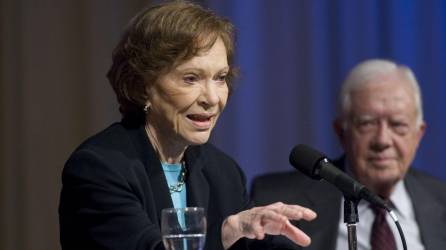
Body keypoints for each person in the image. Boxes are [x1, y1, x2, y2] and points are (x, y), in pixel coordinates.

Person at [58, 2, 317, 250]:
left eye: (220, 78)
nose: (212, 99)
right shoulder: (100, 169)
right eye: (191, 78)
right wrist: (228, 231)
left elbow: (251, 243)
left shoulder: (222, 172)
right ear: (142, 85)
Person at [251, 59, 446, 250]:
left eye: (398, 125)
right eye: (367, 123)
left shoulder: (441, 200)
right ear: (341, 132)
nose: (382, 140)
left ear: (419, 135)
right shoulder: (278, 200)